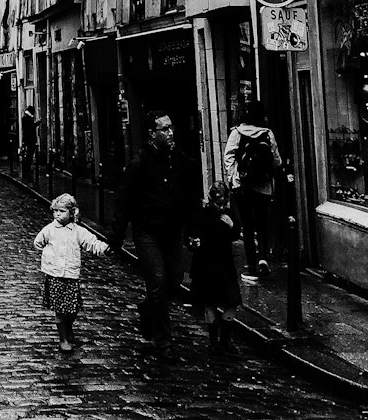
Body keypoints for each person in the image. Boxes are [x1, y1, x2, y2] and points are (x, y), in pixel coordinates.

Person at [109, 110, 194, 362]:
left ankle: (148, 309)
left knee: (175, 280)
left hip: (172, 231)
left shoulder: (179, 160)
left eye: (171, 128)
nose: (170, 133)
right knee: (157, 283)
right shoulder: (139, 164)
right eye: (164, 129)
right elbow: (123, 202)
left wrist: (193, 230)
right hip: (147, 232)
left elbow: (188, 198)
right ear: (151, 134)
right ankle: (164, 343)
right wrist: (115, 237)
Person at [33, 192, 109, 353]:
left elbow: (91, 243)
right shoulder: (49, 230)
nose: (58, 214)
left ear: (72, 212)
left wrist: (104, 248)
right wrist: (48, 256)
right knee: (60, 310)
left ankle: (69, 327)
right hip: (54, 275)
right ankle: (63, 339)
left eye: (62, 211)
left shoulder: (77, 231)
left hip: (71, 275)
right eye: (55, 211)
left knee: (72, 309)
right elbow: (38, 242)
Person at [223, 98, 283, 284]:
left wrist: (234, 180)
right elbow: (276, 161)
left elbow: (229, 158)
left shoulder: (237, 132)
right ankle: (264, 257)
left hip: (245, 187)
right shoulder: (267, 133)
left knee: (248, 227)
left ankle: (251, 266)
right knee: (263, 224)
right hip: (264, 188)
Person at [189, 181, 243, 355]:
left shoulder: (228, 214)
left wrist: (231, 225)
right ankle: (214, 342)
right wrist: (194, 241)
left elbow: (236, 233)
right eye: (217, 203)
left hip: (224, 264)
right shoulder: (203, 215)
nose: (220, 206)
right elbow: (192, 236)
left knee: (232, 302)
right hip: (206, 265)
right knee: (210, 303)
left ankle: (225, 339)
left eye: (223, 202)